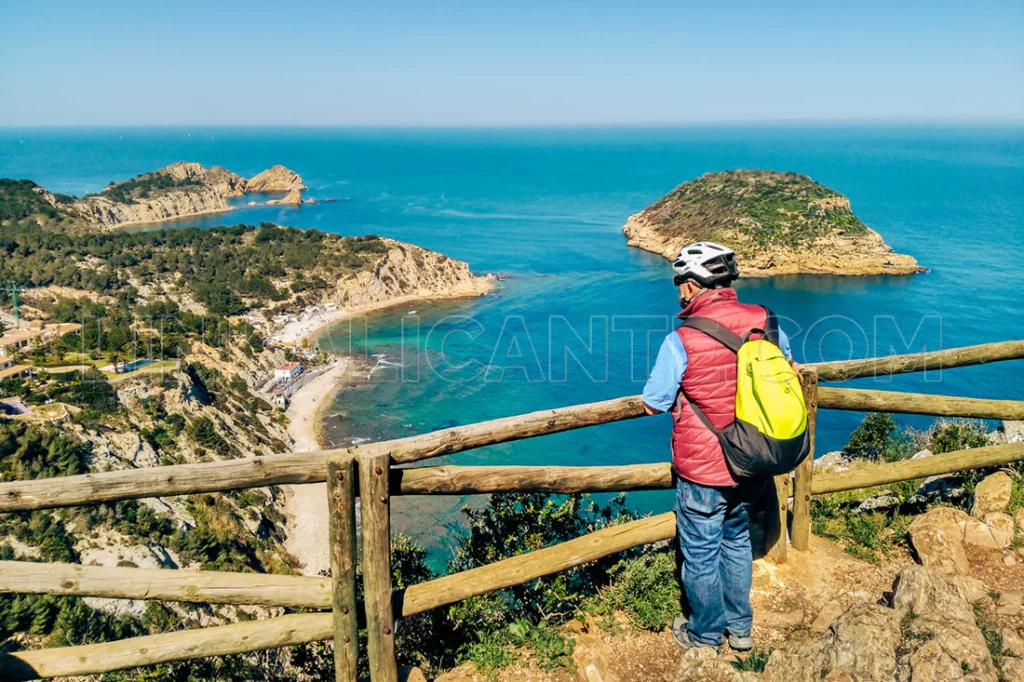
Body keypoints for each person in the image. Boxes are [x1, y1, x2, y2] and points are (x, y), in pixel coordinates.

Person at [642, 241, 794, 652]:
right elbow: (785, 372)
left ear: (692, 286)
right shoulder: (765, 320)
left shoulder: (683, 338)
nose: (677, 291)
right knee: (737, 540)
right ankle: (740, 630)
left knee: (701, 553)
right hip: (753, 459)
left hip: (704, 467)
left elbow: (654, 401)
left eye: (679, 283)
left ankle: (705, 635)